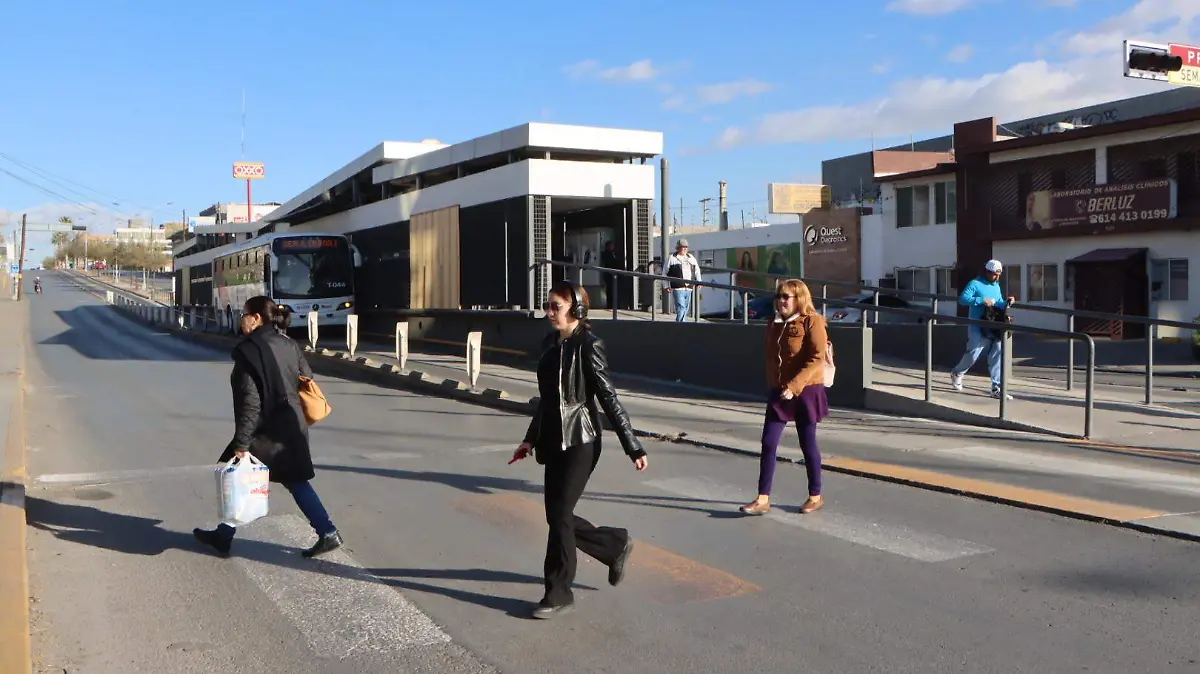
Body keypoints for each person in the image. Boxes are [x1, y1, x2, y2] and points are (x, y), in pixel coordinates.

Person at [510, 281, 648, 619]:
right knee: (558, 516)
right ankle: (614, 545)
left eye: (556, 306)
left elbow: (607, 396)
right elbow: (545, 400)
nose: (549, 312)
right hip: (553, 440)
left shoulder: (589, 344)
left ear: (577, 310)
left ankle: (558, 593)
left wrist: (633, 445)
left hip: (582, 440)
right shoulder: (549, 344)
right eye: (548, 305)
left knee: (558, 516)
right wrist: (530, 439)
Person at [194, 296, 343, 558]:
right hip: (292, 423)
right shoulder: (287, 342)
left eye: (244, 314)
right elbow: (305, 374)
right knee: (294, 481)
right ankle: (327, 532)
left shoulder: (248, 351)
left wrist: (241, 443)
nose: (241, 319)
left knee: (238, 475)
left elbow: (250, 403)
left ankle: (223, 536)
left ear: (256, 318)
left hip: (266, 429)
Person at [740, 279, 829, 516]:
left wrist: (795, 385)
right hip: (780, 391)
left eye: (786, 297)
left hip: (807, 389)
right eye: (778, 296)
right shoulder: (774, 323)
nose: (781, 301)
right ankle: (762, 499)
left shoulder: (813, 321)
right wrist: (776, 385)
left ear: (799, 299)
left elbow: (817, 357)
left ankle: (815, 495)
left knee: (807, 443)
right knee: (769, 442)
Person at [950, 260, 1015, 400]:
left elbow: (998, 302)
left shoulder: (996, 286)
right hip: (977, 325)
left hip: (993, 325)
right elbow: (963, 299)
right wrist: (981, 300)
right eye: (994, 275)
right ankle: (957, 372)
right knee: (973, 353)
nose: (996, 277)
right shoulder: (975, 283)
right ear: (987, 272)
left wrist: (1007, 302)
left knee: (997, 354)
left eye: (999, 275)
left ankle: (996, 388)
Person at [665, 239, 701, 322]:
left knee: (685, 308)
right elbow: (665, 272)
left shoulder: (691, 258)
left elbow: (697, 270)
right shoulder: (671, 258)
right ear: (678, 248)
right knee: (681, 307)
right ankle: (682, 324)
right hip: (677, 288)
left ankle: (680, 323)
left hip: (689, 287)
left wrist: (699, 281)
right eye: (682, 247)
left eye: (686, 247)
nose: (685, 249)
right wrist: (666, 285)